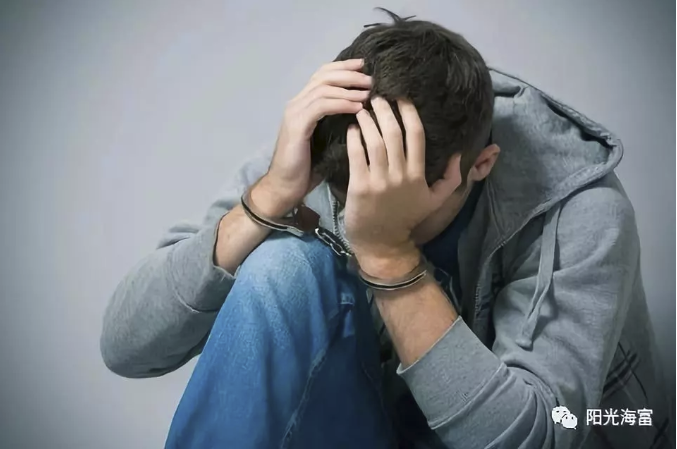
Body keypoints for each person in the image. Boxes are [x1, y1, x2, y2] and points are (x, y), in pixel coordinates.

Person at [101, 9, 672, 449]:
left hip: (554, 426)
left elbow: (541, 432)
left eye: (398, 202)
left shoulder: (581, 210)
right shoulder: (322, 161)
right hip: (374, 428)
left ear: (480, 166)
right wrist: (268, 198)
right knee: (279, 266)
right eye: (350, 200)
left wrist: (388, 254)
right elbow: (126, 349)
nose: (360, 213)